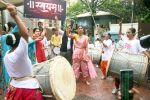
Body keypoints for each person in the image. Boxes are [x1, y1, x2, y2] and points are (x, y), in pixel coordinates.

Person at [3, 3, 43, 100]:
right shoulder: (19, 53)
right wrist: (14, 15)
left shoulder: (6, 55)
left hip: (13, 88)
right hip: (28, 89)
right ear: (19, 42)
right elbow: (25, 34)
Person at [112, 19, 149, 95]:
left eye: (128, 32)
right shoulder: (125, 39)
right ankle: (116, 88)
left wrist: (149, 56)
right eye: (126, 32)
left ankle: (124, 91)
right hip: (121, 60)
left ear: (133, 34)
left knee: (126, 79)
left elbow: (143, 50)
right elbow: (119, 34)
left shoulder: (137, 41)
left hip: (131, 63)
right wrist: (120, 26)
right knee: (117, 76)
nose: (127, 34)